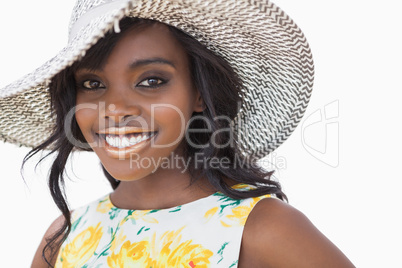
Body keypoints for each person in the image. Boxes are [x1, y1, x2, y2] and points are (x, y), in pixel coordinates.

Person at [0, 0, 355, 267]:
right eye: (93, 84)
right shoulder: (64, 238)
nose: (115, 108)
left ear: (199, 93)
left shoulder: (261, 229)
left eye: (151, 81)